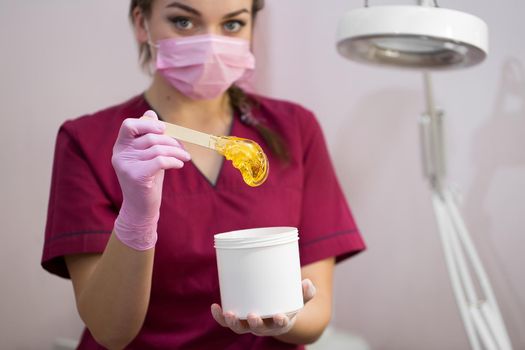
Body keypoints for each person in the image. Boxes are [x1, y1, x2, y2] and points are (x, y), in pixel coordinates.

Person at [41, 0, 366, 349]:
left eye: (231, 25)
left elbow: (316, 316)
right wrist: (137, 216)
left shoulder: (295, 129)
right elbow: (110, 330)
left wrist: (284, 318)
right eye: (183, 21)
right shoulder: (87, 142)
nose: (211, 44)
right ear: (142, 23)